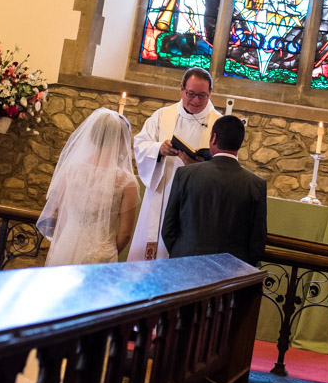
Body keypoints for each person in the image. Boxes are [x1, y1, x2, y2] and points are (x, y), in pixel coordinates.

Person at [128, 67, 221, 260]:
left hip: (195, 200)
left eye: (202, 95)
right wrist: (158, 150)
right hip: (163, 192)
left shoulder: (218, 124)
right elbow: (140, 143)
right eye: (191, 94)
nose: (196, 100)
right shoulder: (162, 116)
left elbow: (223, 167)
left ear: (211, 93)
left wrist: (195, 165)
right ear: (181, 89)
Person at [36, 107, 139, 266]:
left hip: (65, 247)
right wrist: (106, 253)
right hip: (100, 255)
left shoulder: (71, 169)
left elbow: (61, 213)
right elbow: (125, 234)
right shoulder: (126, 181)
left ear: (92, 136)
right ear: (120, 140)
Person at [161, 115, 267, 265]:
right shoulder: (256, 185)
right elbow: (257, 243)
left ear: (214, 138)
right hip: (229, 275)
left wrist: (182, 253)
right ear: (240, 143)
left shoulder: (185, 174)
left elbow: (168, 229)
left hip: (185, 267)